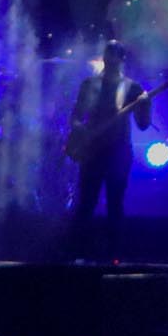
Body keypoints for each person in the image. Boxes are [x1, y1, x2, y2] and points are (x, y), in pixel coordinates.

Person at [68, 40, 153, 259]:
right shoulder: (89, 85)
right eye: (108, 52)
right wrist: (81, 131)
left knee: (115, 204)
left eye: (115, 53)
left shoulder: (131, 87)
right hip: (92, 150)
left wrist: (146, 105)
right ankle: (78, 254)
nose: (110, 57)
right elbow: (76, 116)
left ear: (122, 59)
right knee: (86, 203)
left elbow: (143, 124)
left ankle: (114, 257)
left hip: (118, 151)